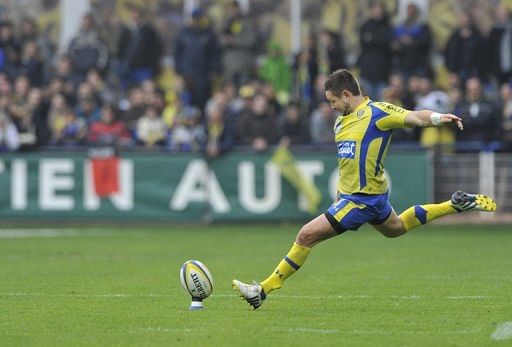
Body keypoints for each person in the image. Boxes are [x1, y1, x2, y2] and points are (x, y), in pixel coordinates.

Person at [232, 69, 497, 309]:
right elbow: (345, 162)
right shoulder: (340, 122)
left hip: (362, 199)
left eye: (333, 101)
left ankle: (262, 290)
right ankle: (454, 204)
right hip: (368, 197)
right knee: (396, 229)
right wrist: (339, 193)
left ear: (346, 95)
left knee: (306, 235)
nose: (331, 107)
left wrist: (440, 118)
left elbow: (415, 117)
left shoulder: (378, 112)